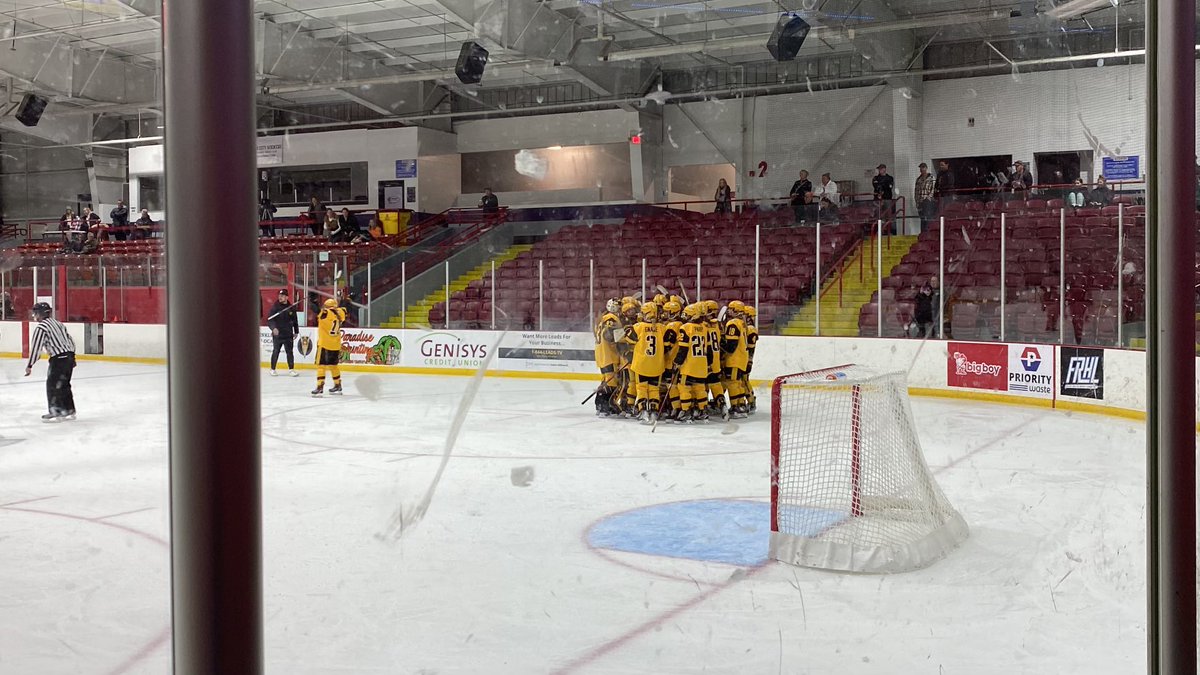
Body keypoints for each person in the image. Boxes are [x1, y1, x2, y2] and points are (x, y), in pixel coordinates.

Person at [24, 302, 77, 421]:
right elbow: (70, 340)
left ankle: (55, 411)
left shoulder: (41, 327)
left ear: (39, 314)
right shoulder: (58, 323)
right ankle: (69, 410)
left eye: (35, 313)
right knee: (64, 384)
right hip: (69, 356)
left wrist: (30, 365)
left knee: (53, 385)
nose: (35, 316)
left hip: (58, 359)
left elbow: (36, 348)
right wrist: (73, 357)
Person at [312, 297, 346, 396]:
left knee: (321, 365)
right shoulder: (340, 313)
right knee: (333, 365)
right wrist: (347, 300)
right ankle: (337, 384)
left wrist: (313, 301)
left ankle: (320, 386)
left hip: (324, 344)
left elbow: (316, 310)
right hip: (335, 345)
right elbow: (344, 308)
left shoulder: (326, 313)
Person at [267, 289, 300, 377]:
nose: (280, 297)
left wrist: (296, 331)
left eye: (282, 296)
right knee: (276, 351)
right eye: (279, 296)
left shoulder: (291, 308)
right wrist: (273, 328)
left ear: (286, 297)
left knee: (290, 352)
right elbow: (270, 320)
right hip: (278, 335)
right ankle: (272, 369)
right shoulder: (275, 307)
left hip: (288, 334)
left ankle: (291, 369)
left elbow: (295, 320)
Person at [915, 162, 936, 232]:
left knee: (928, 219)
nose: (922, 169)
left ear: (926, 168)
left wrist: (928, 198)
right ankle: (923, 233)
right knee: (922, 219)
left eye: (923, 167)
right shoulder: (918, 179)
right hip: (920, 202)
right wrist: (917, 202)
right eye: (921, 168)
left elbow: (933, 189)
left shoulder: (931, 178)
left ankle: (928, 233)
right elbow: (916, 191)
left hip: (928, 202)